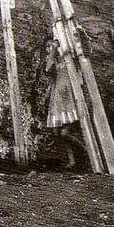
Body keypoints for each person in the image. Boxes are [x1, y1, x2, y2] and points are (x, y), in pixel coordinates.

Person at [44, 37, 80, 168]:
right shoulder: (54, 62)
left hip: (68, 99)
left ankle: (85, 150)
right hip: (57, 100)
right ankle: (72, 160)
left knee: (65, 133)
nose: (49, 50)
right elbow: (48, 69)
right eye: (47, 48)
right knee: (56, 133)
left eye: (50, 46)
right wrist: (53, 51)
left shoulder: (68, 60)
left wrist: (57, 48)